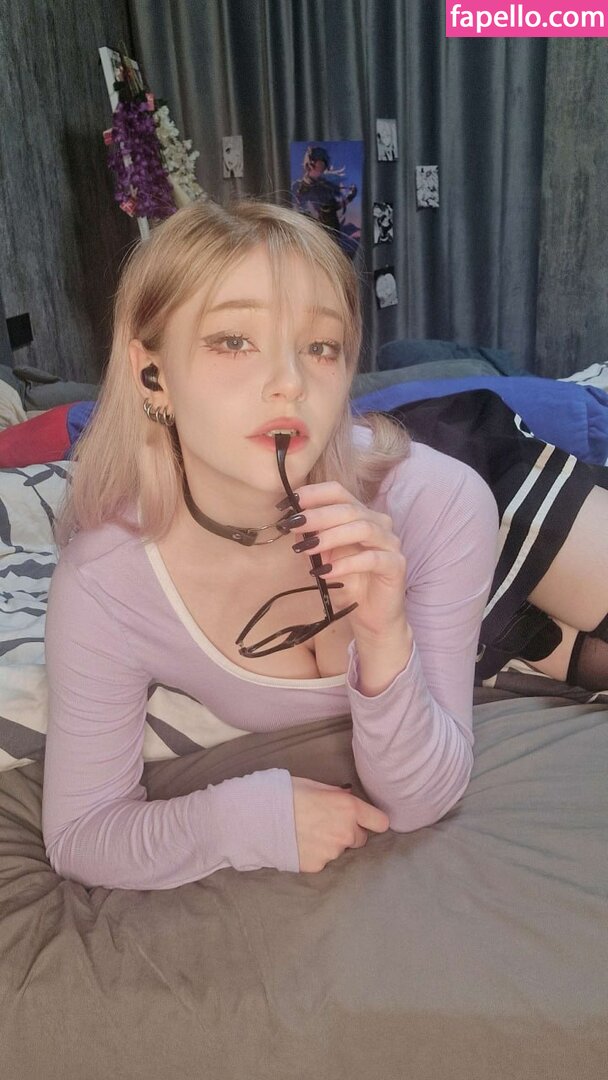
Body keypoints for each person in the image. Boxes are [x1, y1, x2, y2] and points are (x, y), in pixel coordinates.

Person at [41, 197, 608, 893]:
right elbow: (82, 832)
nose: (291, 383)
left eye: (321, 347)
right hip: (478, 633)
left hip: (482, 494)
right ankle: (535, 640)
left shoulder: (437, 498)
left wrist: (388, 632)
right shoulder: (106, 582)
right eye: (233, 340)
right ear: (150, 373)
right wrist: (245, 819)